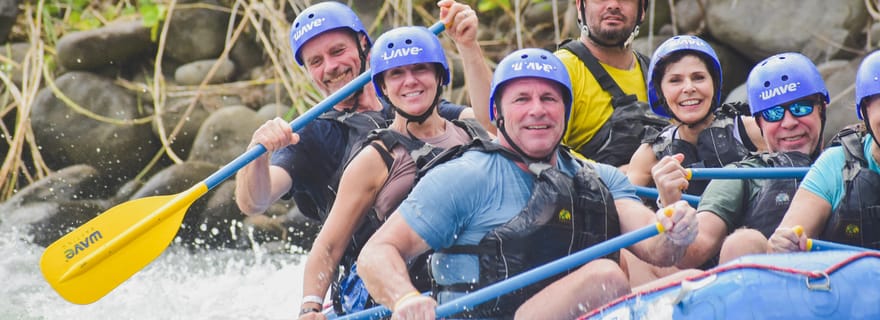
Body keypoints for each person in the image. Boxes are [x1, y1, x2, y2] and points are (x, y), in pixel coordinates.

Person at [356, 48, 698, 320]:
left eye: (549, 99)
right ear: (498, 113)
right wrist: (404, 298)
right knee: (604, 278)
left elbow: (660, 250)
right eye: (522, 99)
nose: (538, 110)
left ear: (565, 110)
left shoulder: (600, 178)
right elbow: (375, 253)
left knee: (682, 281)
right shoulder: (464, 176)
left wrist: (675, 224)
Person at [297, 16, 490, 319]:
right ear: (383, 88)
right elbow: (329, 246)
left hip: (477, 281)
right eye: (397, 73)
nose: (410, 81)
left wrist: (468, 45)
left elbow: (498, 117)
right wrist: (309, 307)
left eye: (420, 69)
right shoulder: (375, 158)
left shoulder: (470, 131)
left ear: (440, 76)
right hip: (406, 295)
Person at [234, 1, 489, 223]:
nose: (330, 67)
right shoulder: (310, 136)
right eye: (316, 62)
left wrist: (468, 46)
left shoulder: (408, 103)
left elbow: (492, 124)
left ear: (363, 44)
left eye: (338, 51)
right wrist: (257, 153)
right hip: (369, 260)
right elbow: (254, 203)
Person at [620, 35, 764, 287]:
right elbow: (625, 214)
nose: (688, 88)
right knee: (625, 254)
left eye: (698, 78)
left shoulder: (751, 130)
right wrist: (665, 202)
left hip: (746, 247)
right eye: (675, 80)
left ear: (714, 84)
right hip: (683, 262)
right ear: (661, 92)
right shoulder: (649, 154)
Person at [768, 50, 880, 253]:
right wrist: (783, 243)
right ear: (866, 110)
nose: (789, 123)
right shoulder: (836, 163)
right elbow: (789, 233)